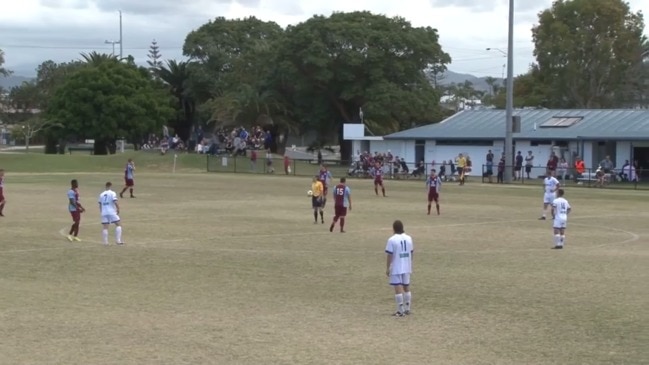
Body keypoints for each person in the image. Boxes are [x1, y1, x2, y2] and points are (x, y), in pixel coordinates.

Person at [385, 220, 414, 317]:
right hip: (406, 265)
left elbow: (390, 255)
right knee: (406, 286)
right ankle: (407, 308)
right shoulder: (409, 238)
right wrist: (410, 263)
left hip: (397, 266)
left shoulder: (392, 240)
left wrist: (388, 267)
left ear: (393, 228)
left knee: (397, 287)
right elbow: (411, 252)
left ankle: (400, 310)